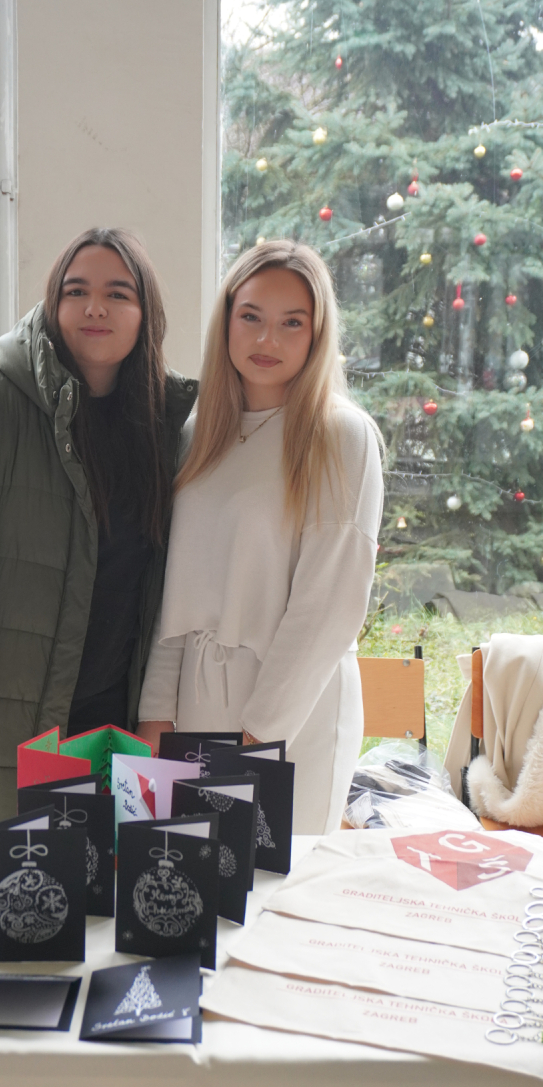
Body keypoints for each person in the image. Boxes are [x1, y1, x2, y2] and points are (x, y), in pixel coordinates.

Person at [0, 228, 196, 829]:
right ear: (52, 304)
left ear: (147, 314)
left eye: (118, 294)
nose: (95, 307)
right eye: (76, 291)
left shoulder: (167, 430)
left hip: (110, 726)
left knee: (92, 883)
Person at [136, 240, 384, 834]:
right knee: (199, 877)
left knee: (285, 881)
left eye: (291, 323)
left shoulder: (339, 436)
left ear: (317, 333)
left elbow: (327, 609)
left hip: (294, 710)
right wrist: (156, 713)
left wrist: (257, 741)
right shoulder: (200, 431)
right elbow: (176, 585)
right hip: (196, 703)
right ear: (227, 319)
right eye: (251, 316)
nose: (267, 339)